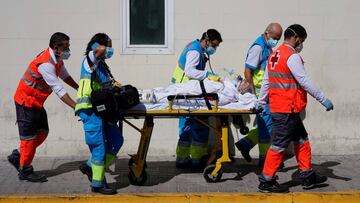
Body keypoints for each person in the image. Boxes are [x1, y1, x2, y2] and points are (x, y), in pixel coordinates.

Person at [257, 24, 334, 193]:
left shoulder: (274, 55)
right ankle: (266, 181)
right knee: (278, 145)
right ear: (297, 38)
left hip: (285, 109)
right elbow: (304, 81)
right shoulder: (291, 56)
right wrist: (323, 99)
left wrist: (261, 101)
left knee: (302, 140)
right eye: (302, 40)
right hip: (286, 109)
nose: (302, 44)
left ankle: (306, 176)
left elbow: (266, 82)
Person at [7, 32, 78, 182]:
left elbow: (65, 76)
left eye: (68, 46)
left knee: (43, 133)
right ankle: (25, 170)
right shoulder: (46, 64)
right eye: (66, 47)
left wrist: (79, 88)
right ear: (56, 47)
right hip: (26, 102)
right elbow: (58, 89)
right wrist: (75, 106)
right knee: (29, 139)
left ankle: (18, 155)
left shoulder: (56, 58)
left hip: (36, 102)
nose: (68, 50)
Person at [75, 33, 123, 195]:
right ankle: (97, 183)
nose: (110, 50)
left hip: (102, 110)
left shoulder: (101, 65)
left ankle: (90, 167)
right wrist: (100, 45)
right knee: (99, 148)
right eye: (109, 46)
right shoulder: (91, 59)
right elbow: (97, 51)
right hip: (89, 109)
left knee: (117, 140)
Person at [171, 29, 223, 169]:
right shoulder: (195, 51)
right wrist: (208, 74)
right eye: (214, 45)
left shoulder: (195, 47)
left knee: (186, 127)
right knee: (200, 124)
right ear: (206, 41)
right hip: (187, 93)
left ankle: (182, 159)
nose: (214, 48)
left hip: (185, 91)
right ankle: (196, 160)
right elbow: (190, 71)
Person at [235, 23, 283, 168]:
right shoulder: (258, 48)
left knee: (267, 124)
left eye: (278, 38)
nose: (276, 41)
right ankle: (265, 160)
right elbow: (248, 71)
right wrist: (253, 94)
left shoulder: (266, 46)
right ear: (266, 33)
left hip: (267, 92)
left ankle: (246, 144)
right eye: (275, 37)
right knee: (267, 125)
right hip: (261, 93)